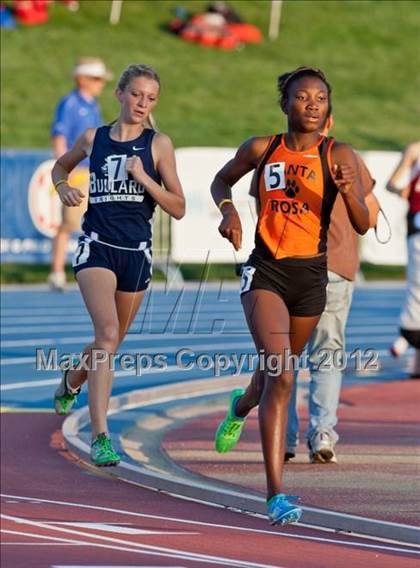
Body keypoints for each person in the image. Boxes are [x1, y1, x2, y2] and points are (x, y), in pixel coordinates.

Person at [210, 66, 370, 525]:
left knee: (271, 376)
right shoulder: (262, 149)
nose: (313, 105)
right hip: (265, 272)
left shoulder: (338, 154)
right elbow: (222, 181)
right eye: (303, 97)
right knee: (281, 375)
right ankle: (276, 494)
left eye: (321, 98)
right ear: (286, 104)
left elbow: (360, 222)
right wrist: (229, 213)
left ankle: (240, 406)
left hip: (310, 280)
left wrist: (348, 193)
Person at [51, 64, 185, 466]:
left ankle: (73, 378)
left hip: (136, 254)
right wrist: (63, 189)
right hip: (97, 247)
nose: (143, 103)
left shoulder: (158, 144)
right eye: (137, 95)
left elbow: (177, 207)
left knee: (109, 345)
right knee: (106, 333)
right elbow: (61, 166)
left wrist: (144, 178)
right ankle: (101, 437)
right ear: (120, 95)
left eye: (151, 98)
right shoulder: (94, 138)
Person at [246, 115, 379, 464]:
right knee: (329, 355)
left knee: (283, 359)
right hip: (333, 267)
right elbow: (370, 215)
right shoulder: (347, 157)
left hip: (287, 265)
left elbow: (260, 205)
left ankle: (285, 439)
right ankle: (321, 433)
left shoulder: (279, 154)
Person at [48, 57, 111, 291]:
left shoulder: (93, 105)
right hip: (78, 173)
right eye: (96, 79)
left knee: (96, 224)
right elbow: (59, 135)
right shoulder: (71, 103)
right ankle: (56, 272)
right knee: (69, 223)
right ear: (82, 79)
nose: (100, 84)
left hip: (92, 172)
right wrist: (64, 171)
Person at [386, 142, 420, 378]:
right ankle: (408, 335)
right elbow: (392, 183)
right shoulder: (415, 150)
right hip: (418, 228)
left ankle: (406, 340)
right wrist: (402, 191)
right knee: (417, 287)